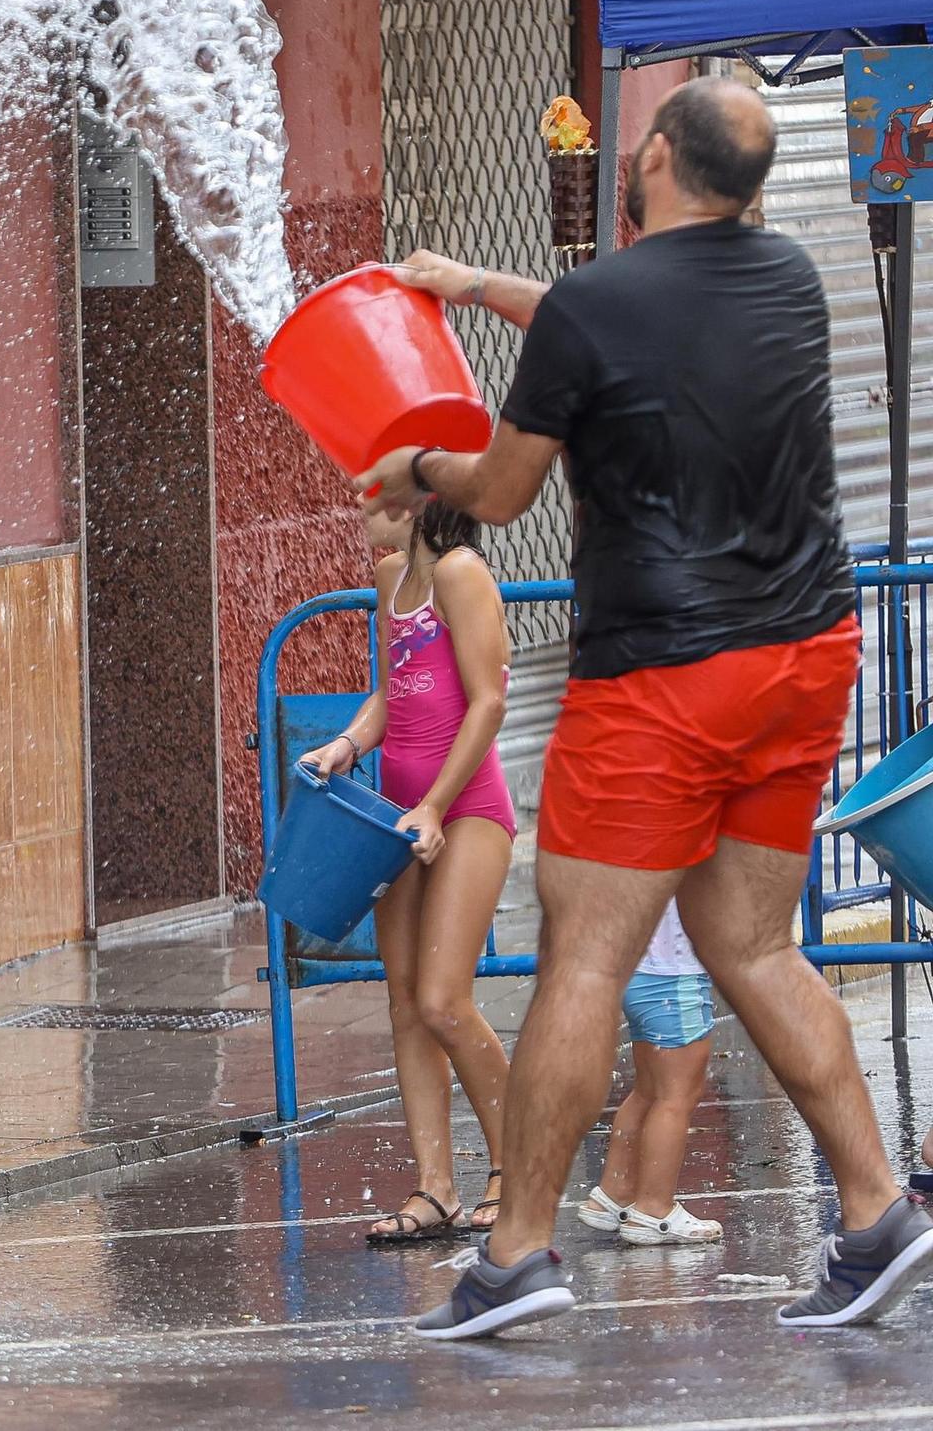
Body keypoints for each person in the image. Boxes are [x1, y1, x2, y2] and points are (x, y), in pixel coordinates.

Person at [361, 76, 933, 1337]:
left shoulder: (600, 307)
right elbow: (595, 323)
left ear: (661, 160)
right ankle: (875, 1210)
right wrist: (471, 289)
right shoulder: (784, 277)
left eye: (634, 143)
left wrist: (415, 467)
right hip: (801, 656)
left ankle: (513, 1257)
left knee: (583, 954)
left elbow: (500, 490)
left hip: (663, 675)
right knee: (752, 945)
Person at [304, 496, 516, 1244]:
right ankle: (435, 1187)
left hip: (465, 809)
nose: (361, 504)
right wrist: (348, 745)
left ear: (419, 502)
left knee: (444, 1000)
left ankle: (514, 1168)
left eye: (378, 491)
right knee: (403, 1002)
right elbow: (394, 694)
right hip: (400, 816)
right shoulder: (391, 577)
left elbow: (488, 700)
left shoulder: (462, 573)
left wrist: (433, 804)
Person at [578, 899, 723, 1247]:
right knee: (677, 1094)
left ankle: (614, 1192)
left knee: (648, 1089)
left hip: (636, 967)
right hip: (674, 973)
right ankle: (655, 1208)